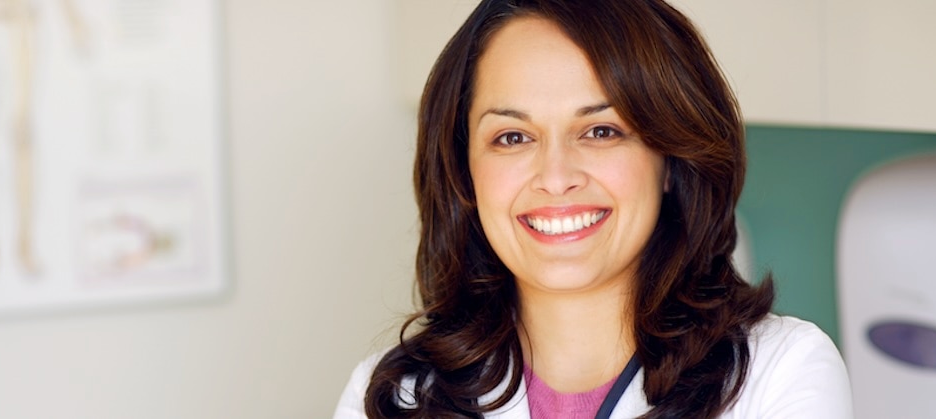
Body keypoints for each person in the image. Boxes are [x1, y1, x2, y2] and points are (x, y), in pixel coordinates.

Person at [335, 0, 852, 417]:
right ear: (463, 173)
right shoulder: (392, 397)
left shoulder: (779, 374)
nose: (556, 177)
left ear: (670, 159)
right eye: (513, 137)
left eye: (601, 131)